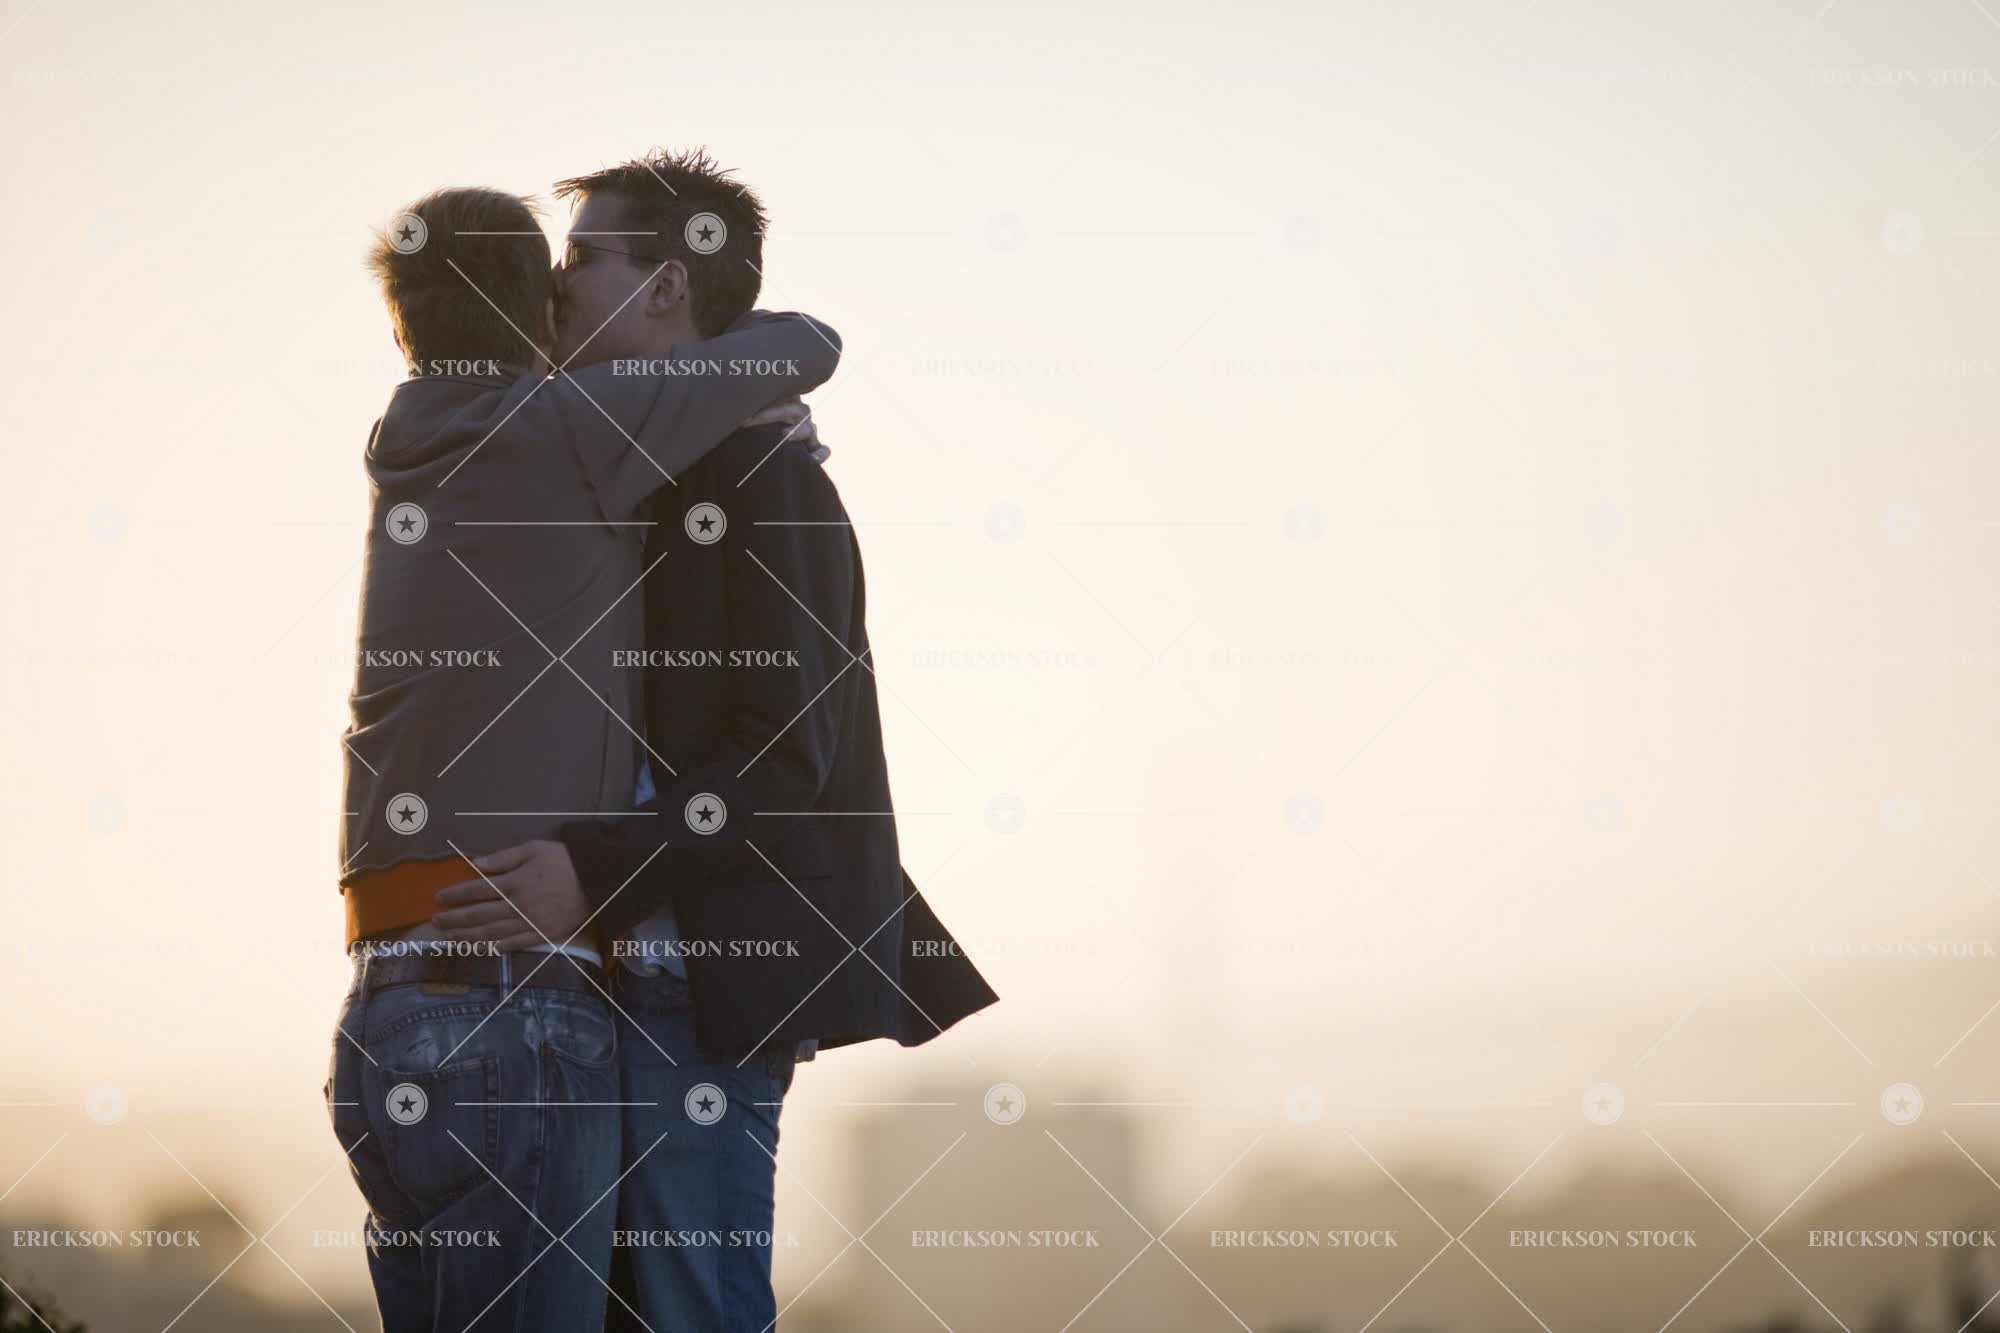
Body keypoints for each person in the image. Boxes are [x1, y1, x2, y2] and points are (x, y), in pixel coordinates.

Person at [431, 149, 999, 1332]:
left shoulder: (768, 482)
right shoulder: (612, 473)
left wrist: (595, 873)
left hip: (693, 977)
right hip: (592, 980)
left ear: (669, 287)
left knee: (692, 1309)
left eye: (582, 259)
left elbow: (784, 760)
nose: (554, 285)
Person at [326, 181, 838, 1331]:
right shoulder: (569, 433)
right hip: (509, 1008)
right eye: (558, 276)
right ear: (536, 312)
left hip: (385, 1007)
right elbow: (809, 343)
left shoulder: (407, 441)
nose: (570, 290)